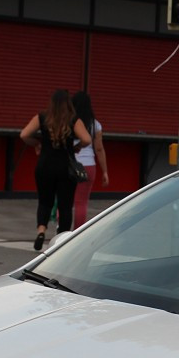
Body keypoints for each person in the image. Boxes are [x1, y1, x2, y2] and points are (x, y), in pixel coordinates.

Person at [20, 89, 93, 250]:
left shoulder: (42, 117)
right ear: (68, 103)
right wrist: (77, 147)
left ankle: (41, 231)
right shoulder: (73, 120)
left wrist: (37, 144)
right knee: (65, 205)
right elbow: (87, 138)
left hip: (44, 165)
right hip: (66, 168)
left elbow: (24, 134)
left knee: (45, 201)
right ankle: (62, 240)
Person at [71, 91, 110, 229]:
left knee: (65, 199)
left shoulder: (69, 122)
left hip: (69, 163)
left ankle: (61, 228)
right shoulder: (95, 125)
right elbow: (99, 149)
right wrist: (105, 171)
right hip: (88, 165)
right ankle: (76, 234)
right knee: (81, 202)